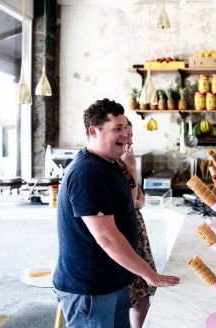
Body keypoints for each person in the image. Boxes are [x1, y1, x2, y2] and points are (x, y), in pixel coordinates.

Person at [53, 98, 179, 328]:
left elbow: (130, 206)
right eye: (117, 129)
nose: (126, 136)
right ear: (94, 131)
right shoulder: (88, 173)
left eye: (126, 129)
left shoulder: (108, 165)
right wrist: (150, 274)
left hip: (114, 283)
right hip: (90, 290)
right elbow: (107, 237)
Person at [116, 120, 156, 328]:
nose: (129, 141)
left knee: (141, 295)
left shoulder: (122, 163)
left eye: (131, 136)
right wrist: (132, 167)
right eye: (125, 135)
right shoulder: (116, 165)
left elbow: (139, 199)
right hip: (125, 238)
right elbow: (133, 202)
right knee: (132, 297)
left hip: (137, 235)